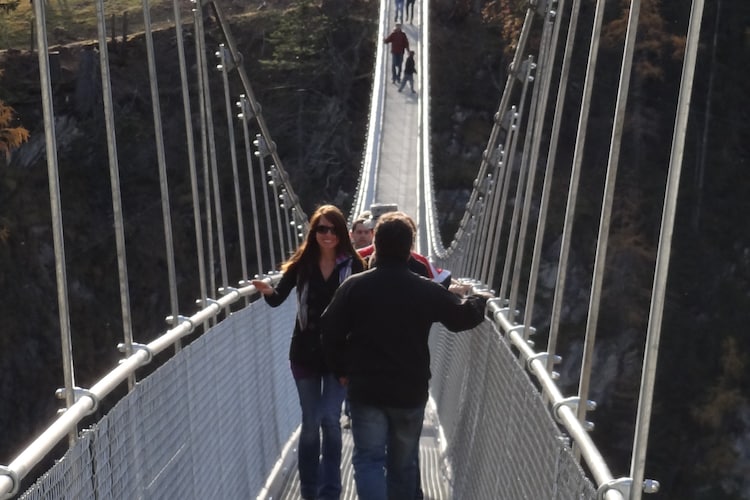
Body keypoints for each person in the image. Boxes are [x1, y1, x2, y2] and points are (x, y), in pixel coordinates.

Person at [321, 212, 493, 500]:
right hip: (409, 391)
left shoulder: (354, 286)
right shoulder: (424, 288)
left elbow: (328, 329)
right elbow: (460, 317)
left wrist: (341, 369)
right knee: (403, 466)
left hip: (365, 388)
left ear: (375, 244)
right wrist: (479, 301)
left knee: (368, 460)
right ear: (410, 247)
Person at [252, 204, 366, 500]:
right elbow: (278, 300)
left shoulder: (354, 266)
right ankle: (309, 492)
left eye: (333, 229)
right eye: (321, 229)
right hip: (304, 352)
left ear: (342, 233)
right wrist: (266, 292)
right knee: (311, 420)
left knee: (330, 419)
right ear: (314, 233)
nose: (327, 235)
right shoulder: (302, 265)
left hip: (338, 358)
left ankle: (330, 492)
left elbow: (363, 310)